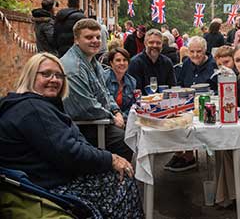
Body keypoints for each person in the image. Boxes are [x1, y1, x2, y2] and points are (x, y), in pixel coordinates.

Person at [0, 53, 143, 218]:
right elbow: (69, 152)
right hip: (42, 185)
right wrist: (110, 159)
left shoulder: (40, 105)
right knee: (122, 181)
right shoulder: (33, 109)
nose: (54, 79)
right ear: (30, 76)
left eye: (59, 75)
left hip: (47, 176)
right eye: (46, 74)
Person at [61, 18, 133, 161]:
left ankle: (121, 177)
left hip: (101, 119)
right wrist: (113, 118)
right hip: (82, 128)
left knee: (134, 128)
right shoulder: (73, 68)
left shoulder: (92, 61)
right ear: (76, 39)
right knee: (127, 140)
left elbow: (104, 91)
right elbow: (86, 107)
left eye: (98, 37)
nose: (95, 40)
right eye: (88, 37)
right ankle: (114, 179)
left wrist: (116, 111)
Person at [165, 36, 218, 172]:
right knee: (174, 119)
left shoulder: (213, 65)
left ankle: (189, 156)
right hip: (187, 104)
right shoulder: (187, 63)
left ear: (205, 51)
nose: (195, 55)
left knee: (191, 124)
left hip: (207, 106)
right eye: (192, 51)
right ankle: (179, 153)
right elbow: (180, 83)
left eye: (199, 51)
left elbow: (217, 90)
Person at [128, 29, 177, 94]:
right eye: (151, 42)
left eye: (158, 43)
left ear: (162, 45)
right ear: (145, 43)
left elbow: (172, 88)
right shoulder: (135, 63)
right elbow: (135, 90)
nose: (155, 45)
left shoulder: (167, 63)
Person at [214, 45, 240, 118]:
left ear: (234, 60)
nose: (223, 67)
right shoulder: (221, 76)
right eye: (219, 65)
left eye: (226, 62)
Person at [104, 48, 137, 120]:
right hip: (107, 120)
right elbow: (104, 101)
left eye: (125, 60)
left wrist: (122, 117)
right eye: (118, 60)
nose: (122, 63)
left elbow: (132, 106)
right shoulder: (103, 77)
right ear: (111, 63)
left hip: (124, 120)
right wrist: (117, 116)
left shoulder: (132, 81)